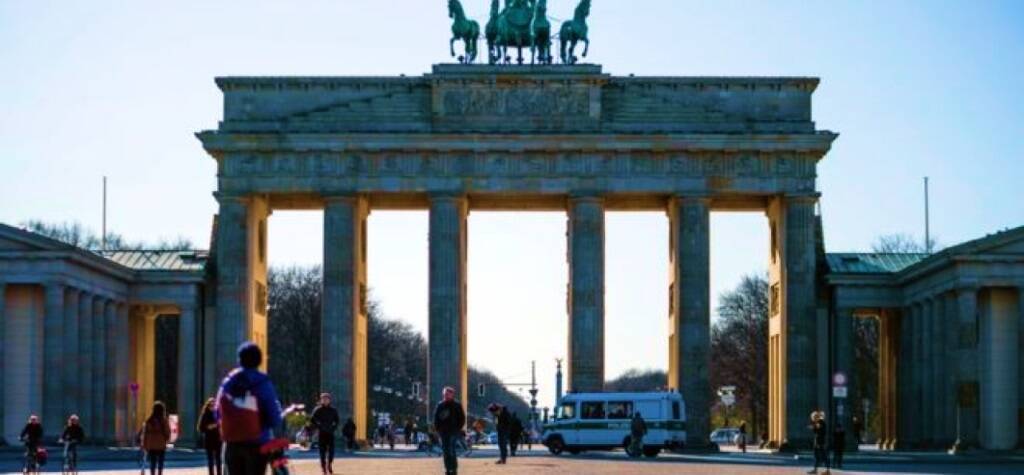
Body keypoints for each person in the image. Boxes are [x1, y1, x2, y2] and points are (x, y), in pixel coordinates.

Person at [216, 341, 283, 475]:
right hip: (257, 442)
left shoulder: (229, 381)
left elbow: (217, 412)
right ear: (259, 360)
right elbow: (273, 415)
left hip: (232, 442)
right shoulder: (262, 382)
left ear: (239, 359)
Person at [434, 386, 467, 475]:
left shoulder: (457, 405)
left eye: (447, 394)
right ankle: (448, 470)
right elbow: (436, 419)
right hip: (443, 432)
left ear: (452, 395)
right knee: (445, 451)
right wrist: (437, 430)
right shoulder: (440, 405)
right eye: (444, 394)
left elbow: (462, 418)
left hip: (454, 432)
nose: (445, 396)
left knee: (451, 449)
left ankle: (454, 469)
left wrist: (458, 428)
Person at [310, 393, 341, 474]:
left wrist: (334, 428)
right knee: (322, 452)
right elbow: (312, 419)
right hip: (322, 433)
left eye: (326, 399)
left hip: (330, 433)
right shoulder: (318, 409)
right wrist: (318, 426)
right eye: (323, 399)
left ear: (329, 400)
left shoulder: (333, 410)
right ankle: (323, 467)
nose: (325, 400)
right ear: (321, 400)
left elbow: (337, 420)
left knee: (331, 451)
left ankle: (329, 464)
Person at [141, 401, 171, 475]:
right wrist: (166, 439)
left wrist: (144, 444)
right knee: (160, 463)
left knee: (152, 463)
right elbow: (167, 432)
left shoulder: (149, 421)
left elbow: (144, 433)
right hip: (161, 445)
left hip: (151, 445)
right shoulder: (164, 421)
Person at [197, 398, 222, 475]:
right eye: (211, 405)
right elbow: (200, 428)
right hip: (209, 440)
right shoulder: (205, 414)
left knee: (218, 459)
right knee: (210, 460)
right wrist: (209, 427)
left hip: (218, 439)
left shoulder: (219, 414)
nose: (212, 406)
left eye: (214, 405)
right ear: (207, 406)